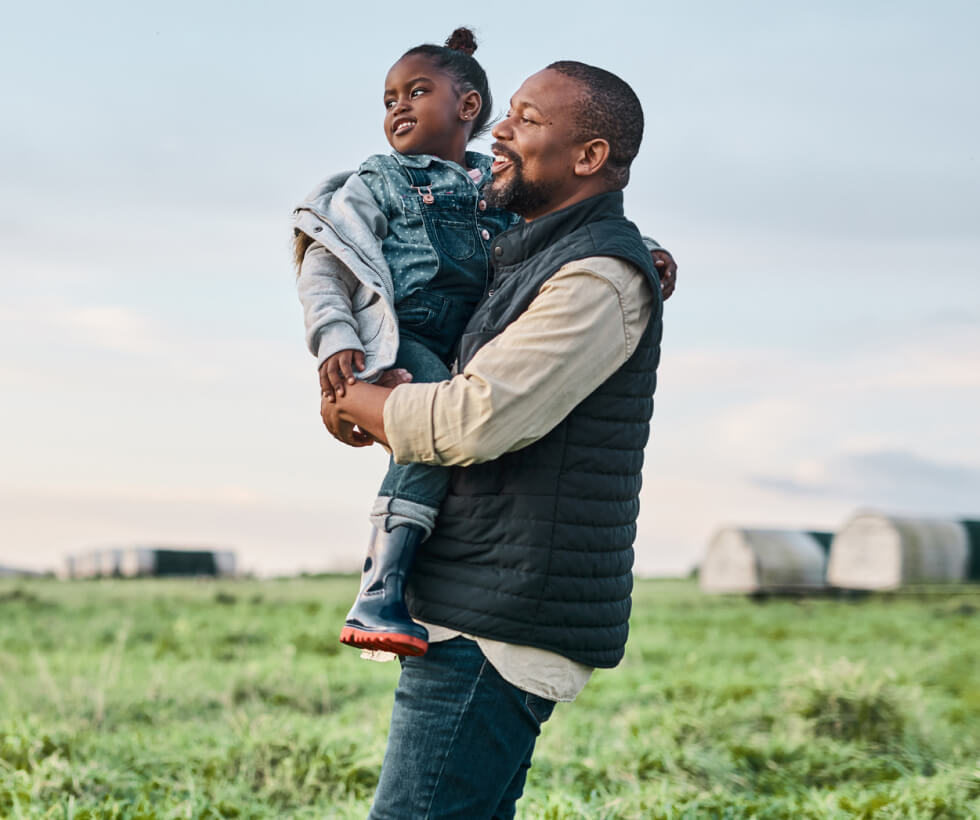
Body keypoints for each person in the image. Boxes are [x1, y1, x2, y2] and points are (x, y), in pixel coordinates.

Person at [319, 60, 669, 819]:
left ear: (590, 157)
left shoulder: (597, 276)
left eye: (529, 119)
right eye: (506, 112)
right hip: (478, 602)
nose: (500, 131)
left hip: (497, 622)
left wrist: (361, 401)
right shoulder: (531, 258)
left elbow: (472, 420)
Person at [294, 28, 519, 656]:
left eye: (416, 92)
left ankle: (449, 584)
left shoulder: (499, 181)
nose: (398, 107)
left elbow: (569, 226)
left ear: (467, 107)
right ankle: (377, 592)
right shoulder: (380, 180)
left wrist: (643, 248)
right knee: (423, 436)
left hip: (478, 343)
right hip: (408, 337)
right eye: (389, 98)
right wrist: (336, 337)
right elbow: (327, 263)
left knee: (476, 445)